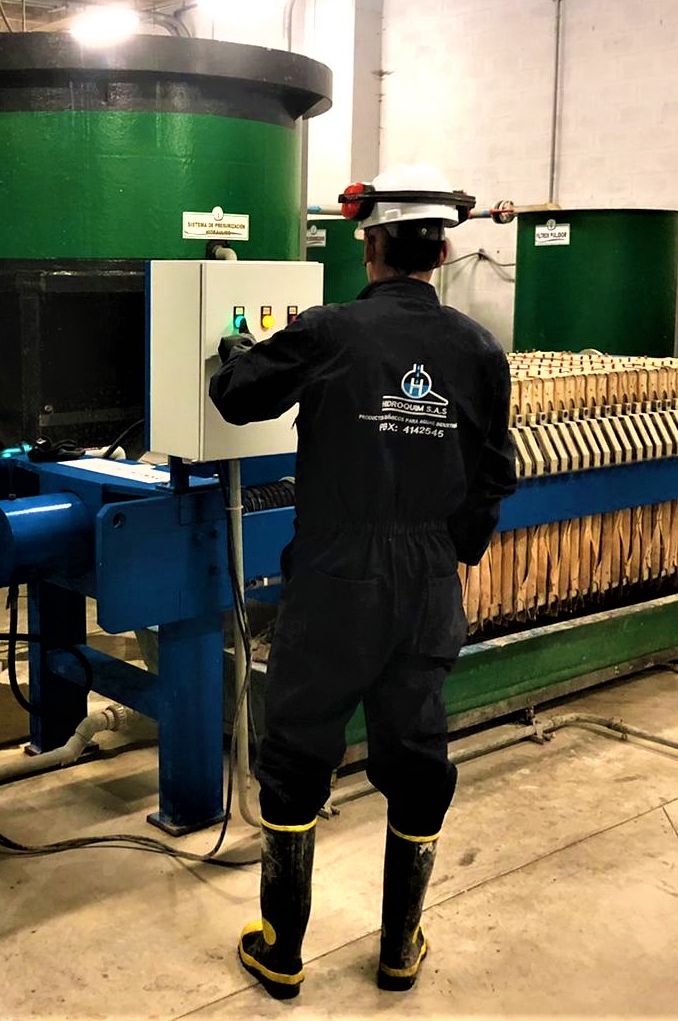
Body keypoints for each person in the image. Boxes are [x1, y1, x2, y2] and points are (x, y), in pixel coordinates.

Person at [208, 163, 518, 999]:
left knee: (298, 749)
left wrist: (236, 351)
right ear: (442, 252)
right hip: (427, 578)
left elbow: (235, 397)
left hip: (337, 574)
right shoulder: (479, 349)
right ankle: (399, 948)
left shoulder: (329, 331)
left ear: (370, 245)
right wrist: (447, 555)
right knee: (416, 754)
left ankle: (281, 949)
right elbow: (495, 473)